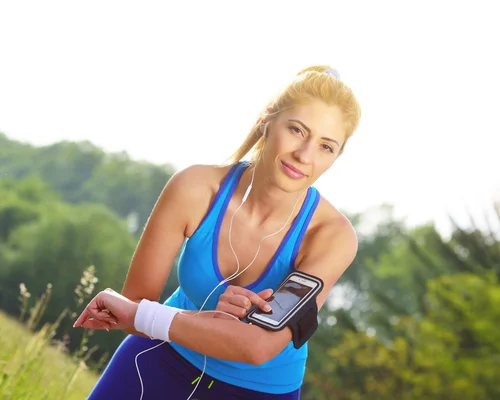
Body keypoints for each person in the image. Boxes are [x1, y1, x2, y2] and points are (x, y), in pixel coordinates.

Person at [73, 65, 362, 400]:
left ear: (336, 157)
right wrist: (203, 319)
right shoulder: (195, 189)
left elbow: (258, 346)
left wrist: (144, 314)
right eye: (297, 130)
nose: (305, 155)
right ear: (267, 121)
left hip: (256, 391)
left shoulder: (332, 237)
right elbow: (134, 309)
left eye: (326, 146)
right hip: (156, 359)